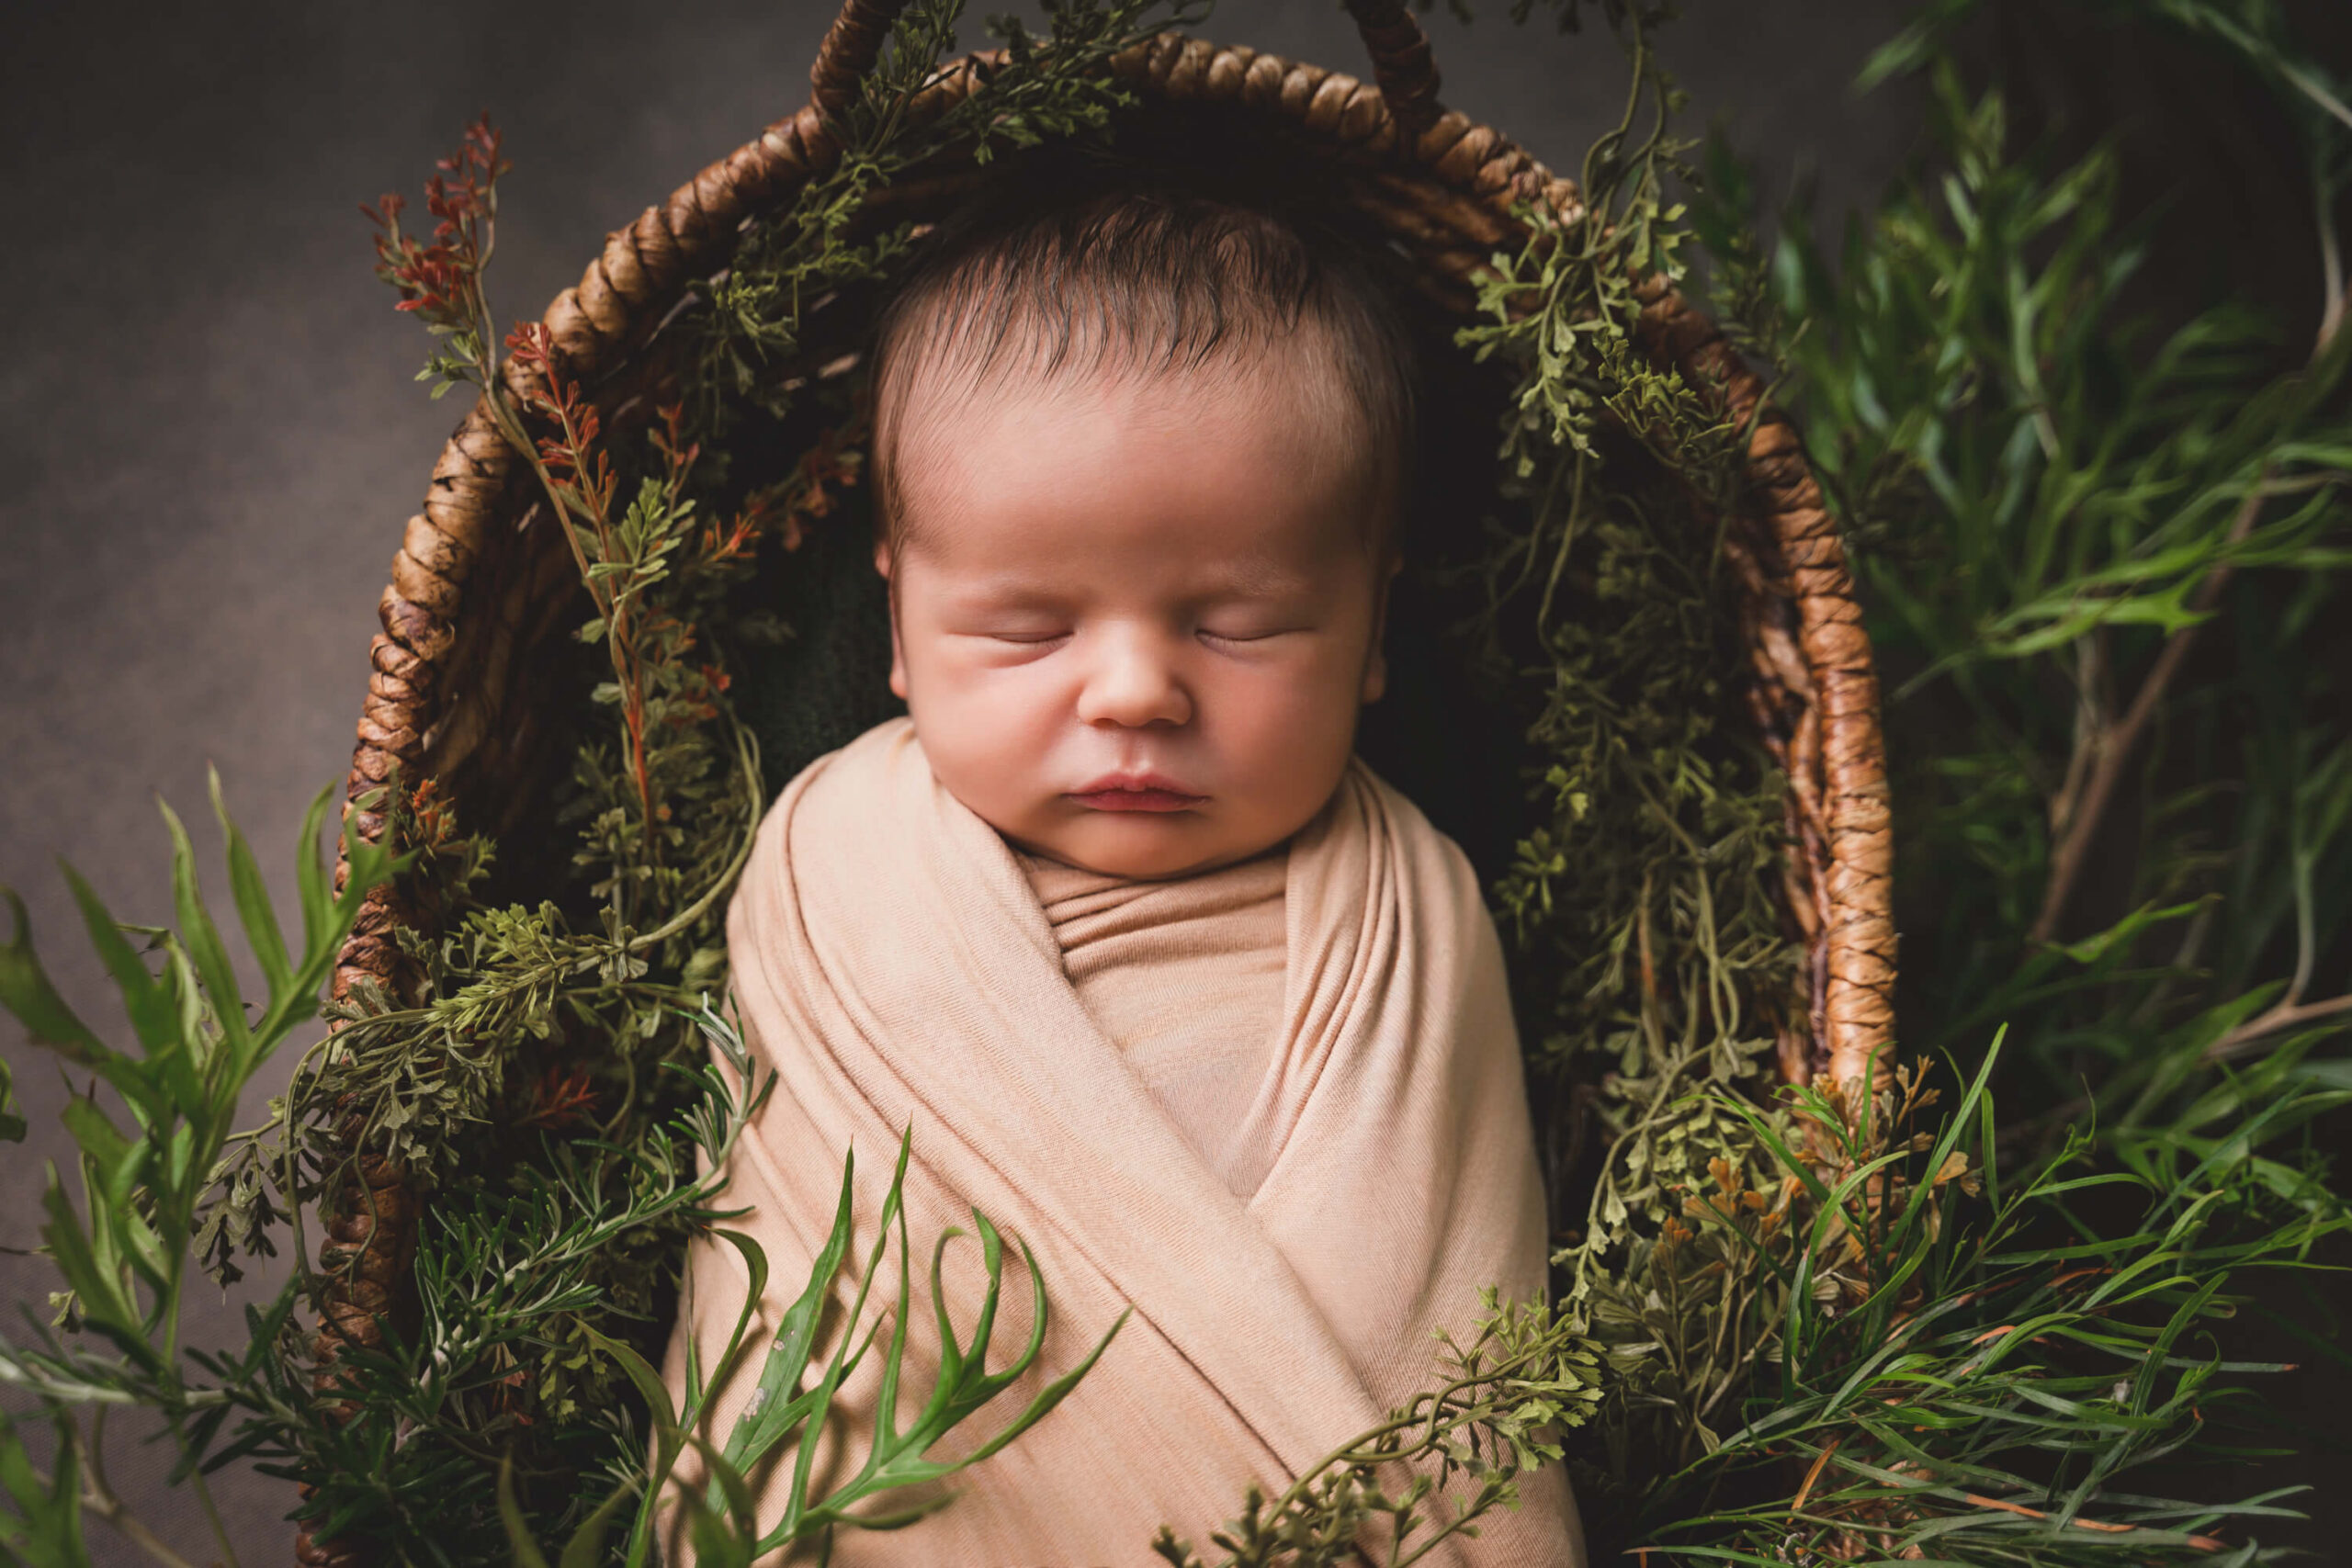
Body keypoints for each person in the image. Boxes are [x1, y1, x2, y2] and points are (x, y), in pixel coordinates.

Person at [658, 152, 1584, 1566]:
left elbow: (1453, 1326)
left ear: (1372, 630)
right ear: (898, 627)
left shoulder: (1414, 917)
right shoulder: (835, 879)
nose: (1136, 692)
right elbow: (779, 1280)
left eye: (1242, 625)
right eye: (1030, 630)